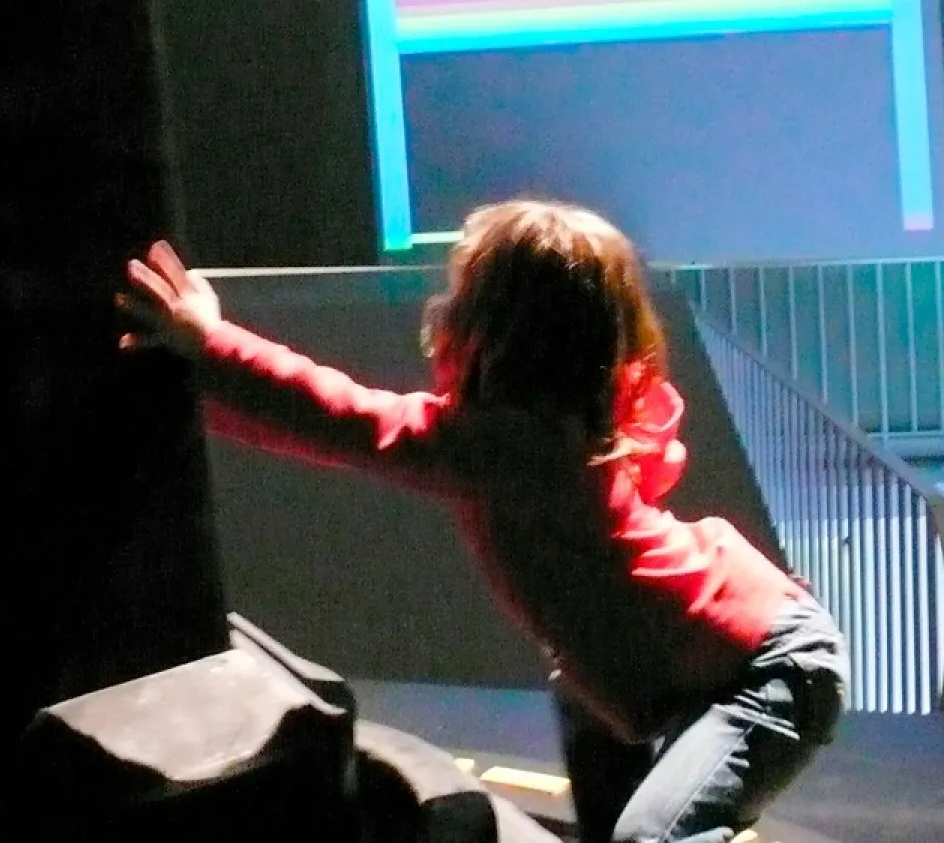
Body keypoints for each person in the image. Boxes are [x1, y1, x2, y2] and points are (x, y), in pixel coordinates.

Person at [117, 200, 849, 843]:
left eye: (463, 297)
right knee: (587, 696)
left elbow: (340, 417)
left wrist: (209, 344)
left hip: (766, 672)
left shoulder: (513, 448)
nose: (444, 308)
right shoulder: (561, 432)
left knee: (651, 835)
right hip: (702, 656)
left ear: (502, 331)